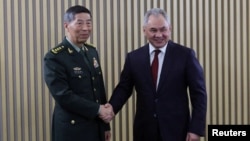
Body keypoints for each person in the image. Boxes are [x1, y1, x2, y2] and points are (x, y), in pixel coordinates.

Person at [108, 8, 207, 141]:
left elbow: (199, 95)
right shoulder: (134, 58)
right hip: (145, 131)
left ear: (170, 29)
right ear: (144, 30)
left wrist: (195, 129)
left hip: (177, 131)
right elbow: (124, 89)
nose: (159, 35)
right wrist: (110, 109)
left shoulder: (185, 55)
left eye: (163, 29)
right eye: (153, 30)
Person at [43, 5, 113, 141]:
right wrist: (98, 110)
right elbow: (62, 95)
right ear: (66, 25)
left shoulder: (92, 52)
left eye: (89, 23)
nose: (85, 28)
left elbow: (98, 89)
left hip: (94, 126)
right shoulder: (55, 56)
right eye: (79, 23)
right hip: (71, 130)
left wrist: (105, 126)